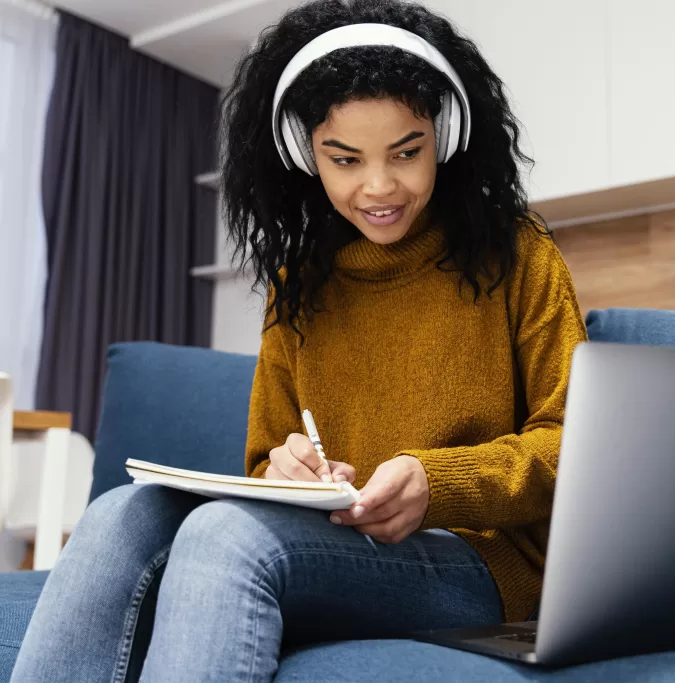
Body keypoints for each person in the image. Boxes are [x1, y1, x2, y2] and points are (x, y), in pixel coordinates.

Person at [11, 0, 586, 680]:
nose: (379, 186)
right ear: (304, 154)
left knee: (225, 535)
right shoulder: (300, 286)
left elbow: (573, 445)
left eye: (407, 152)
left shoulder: (519, 254)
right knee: (119, 514)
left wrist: (436, 483)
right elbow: (263, 460)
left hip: (483, 563)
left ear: (448, 135)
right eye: (345, 159)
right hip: (338, 544)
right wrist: (286, 470)